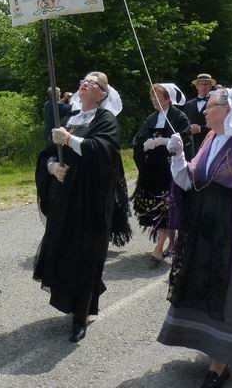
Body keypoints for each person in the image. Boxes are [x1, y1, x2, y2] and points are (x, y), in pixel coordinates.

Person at [156, 87, 232, 388]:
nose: (205, 111)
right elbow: (190, 180)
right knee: (200, 284)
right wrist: (179, 156)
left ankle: (220, 365)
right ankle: (208, 347)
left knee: (226, 291)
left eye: (210, 106)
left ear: (228, 110)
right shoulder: (210, 138)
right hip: (203, 229)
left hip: (229, 233)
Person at [34, 71, 131, 342]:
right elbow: (48, 152)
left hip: (91, 199)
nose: (85, 83)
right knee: (64, 249)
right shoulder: (68, 118)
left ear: (102, 95)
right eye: (84, 81)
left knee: (86, 255)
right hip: (64, 199)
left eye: (94, 83)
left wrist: (69, 140)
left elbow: (104, 151)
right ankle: (72, 301)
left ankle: (81, 315)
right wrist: (52, 166)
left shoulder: (105, 119)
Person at [131, 83, 194, 263]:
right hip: (154, 171)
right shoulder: (152, 117)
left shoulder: (179, 116)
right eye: (152, 97)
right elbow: (139, 138)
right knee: (159, 209)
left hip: (170, 169)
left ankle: (159, 247)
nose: (154, 100)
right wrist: (145, 143)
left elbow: (185, 139)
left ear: (168, 98)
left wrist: (163, 141)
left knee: (168, 207)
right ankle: (170, 243)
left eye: (158, 96)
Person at [183, 73, 215, 159]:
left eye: (207, 84)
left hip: (209, 143)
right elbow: (184, 124)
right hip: (191, 145)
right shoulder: (188, 104)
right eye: (202, 84)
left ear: (211, 86)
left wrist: (200, 129)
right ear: (196, 86)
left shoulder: (215, 103)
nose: (204, 87)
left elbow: (219, 124)